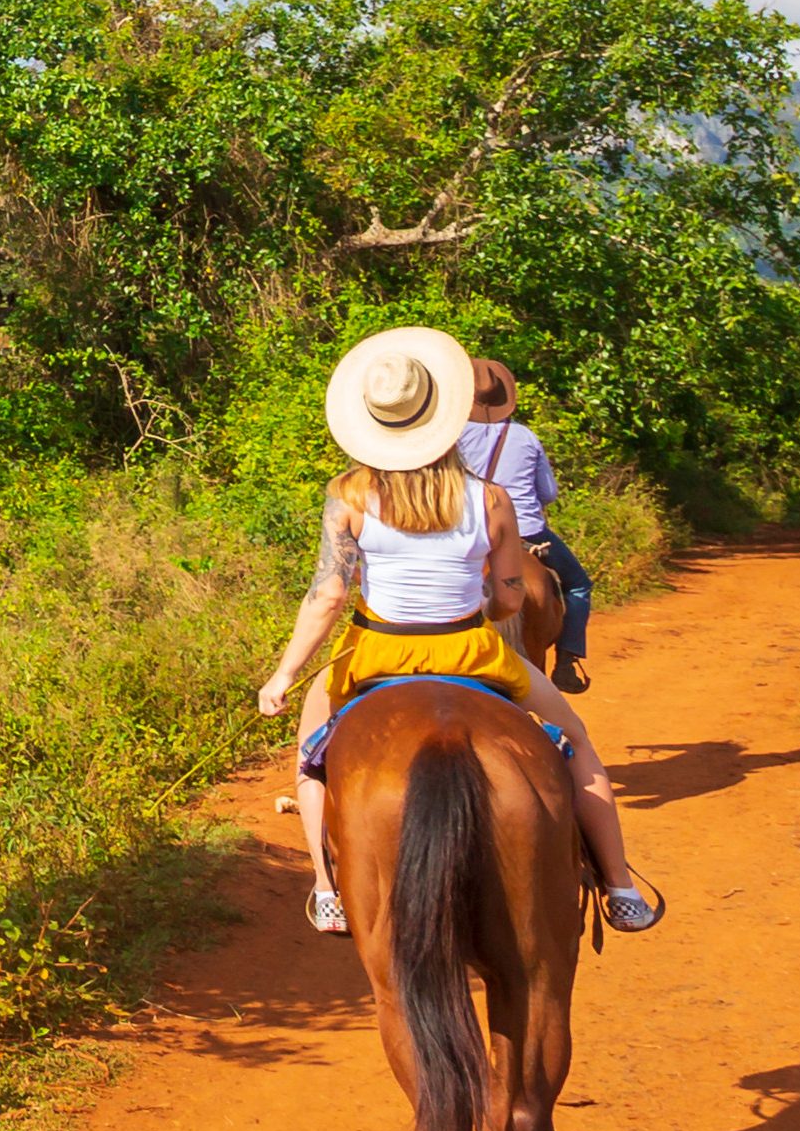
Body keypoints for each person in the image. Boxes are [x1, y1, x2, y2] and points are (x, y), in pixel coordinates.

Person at [258, 322, 662, 940]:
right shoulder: (491, 499)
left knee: (312, 756)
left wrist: (284, 675)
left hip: (374, 652)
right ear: (441, 415)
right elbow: (508, 599)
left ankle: (326, 888)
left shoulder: (348, 496)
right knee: (577, 741)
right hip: (471, 650)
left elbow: (329, 596)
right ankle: (620, 886)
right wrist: (487, 601)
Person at [456, 358, 591, 694]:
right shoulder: (525, 436)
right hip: (526, 531)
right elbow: (549, 492)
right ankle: (566, 661)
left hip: (468, 533)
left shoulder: (451, 437)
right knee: (578, 585)